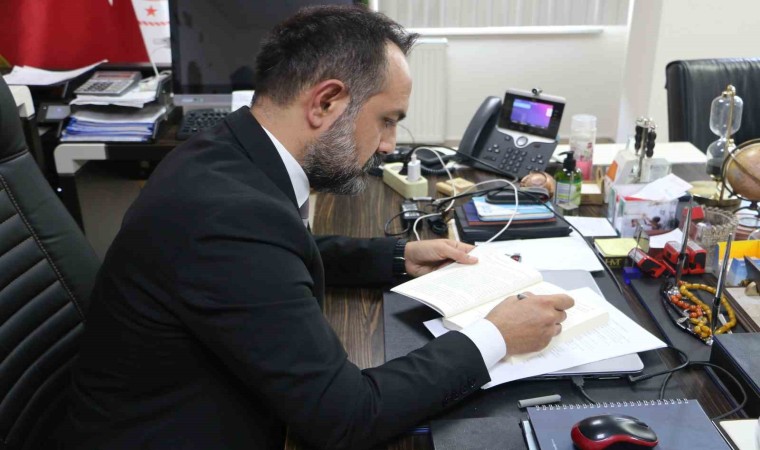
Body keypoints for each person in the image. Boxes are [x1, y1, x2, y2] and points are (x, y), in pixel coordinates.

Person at [62, 5, 573, 450]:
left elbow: (278, 253)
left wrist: (397, 257)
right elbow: (347, 417)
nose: (390, 145)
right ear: (326, 102)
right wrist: (495, 336)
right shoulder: (228, 218)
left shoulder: (226, 149)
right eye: (387, 119)